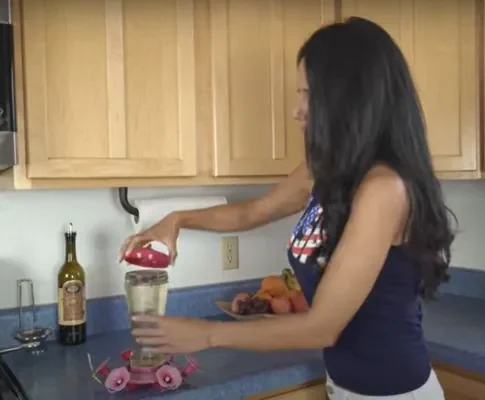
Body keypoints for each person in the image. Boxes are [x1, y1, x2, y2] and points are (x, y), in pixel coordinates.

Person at [120, 17, 455, 399]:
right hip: (346, 386)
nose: (298, 110)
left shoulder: (384, 189)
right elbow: (251, 213)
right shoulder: (324, 170)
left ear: (348, 99)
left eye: (309, 94)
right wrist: (176, 220)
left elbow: (322, 327)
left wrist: (206, 334)